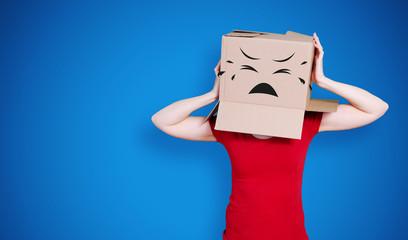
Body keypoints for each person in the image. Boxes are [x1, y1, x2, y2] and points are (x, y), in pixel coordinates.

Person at [151, 33, 388, 240]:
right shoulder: (228, 126)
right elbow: (162, 121)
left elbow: (376, 108)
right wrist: (212, 95)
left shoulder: (305, 122)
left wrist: (322, 81)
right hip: (239, 235)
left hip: (291, 235)